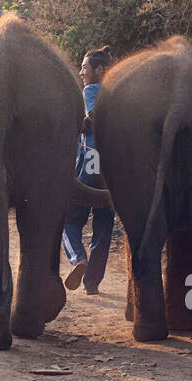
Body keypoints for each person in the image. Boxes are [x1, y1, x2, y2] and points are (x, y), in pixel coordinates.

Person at [61, 45, 115, 294]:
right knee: (103, 226)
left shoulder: (91, 91)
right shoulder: (119, 93)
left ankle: (78, 259)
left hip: (90, 164)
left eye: (85, 68)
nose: (82, 73)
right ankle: (92, 281)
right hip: (111, 170)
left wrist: (79, 124)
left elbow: (93, 116)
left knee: (69, 219)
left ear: (100, 70)